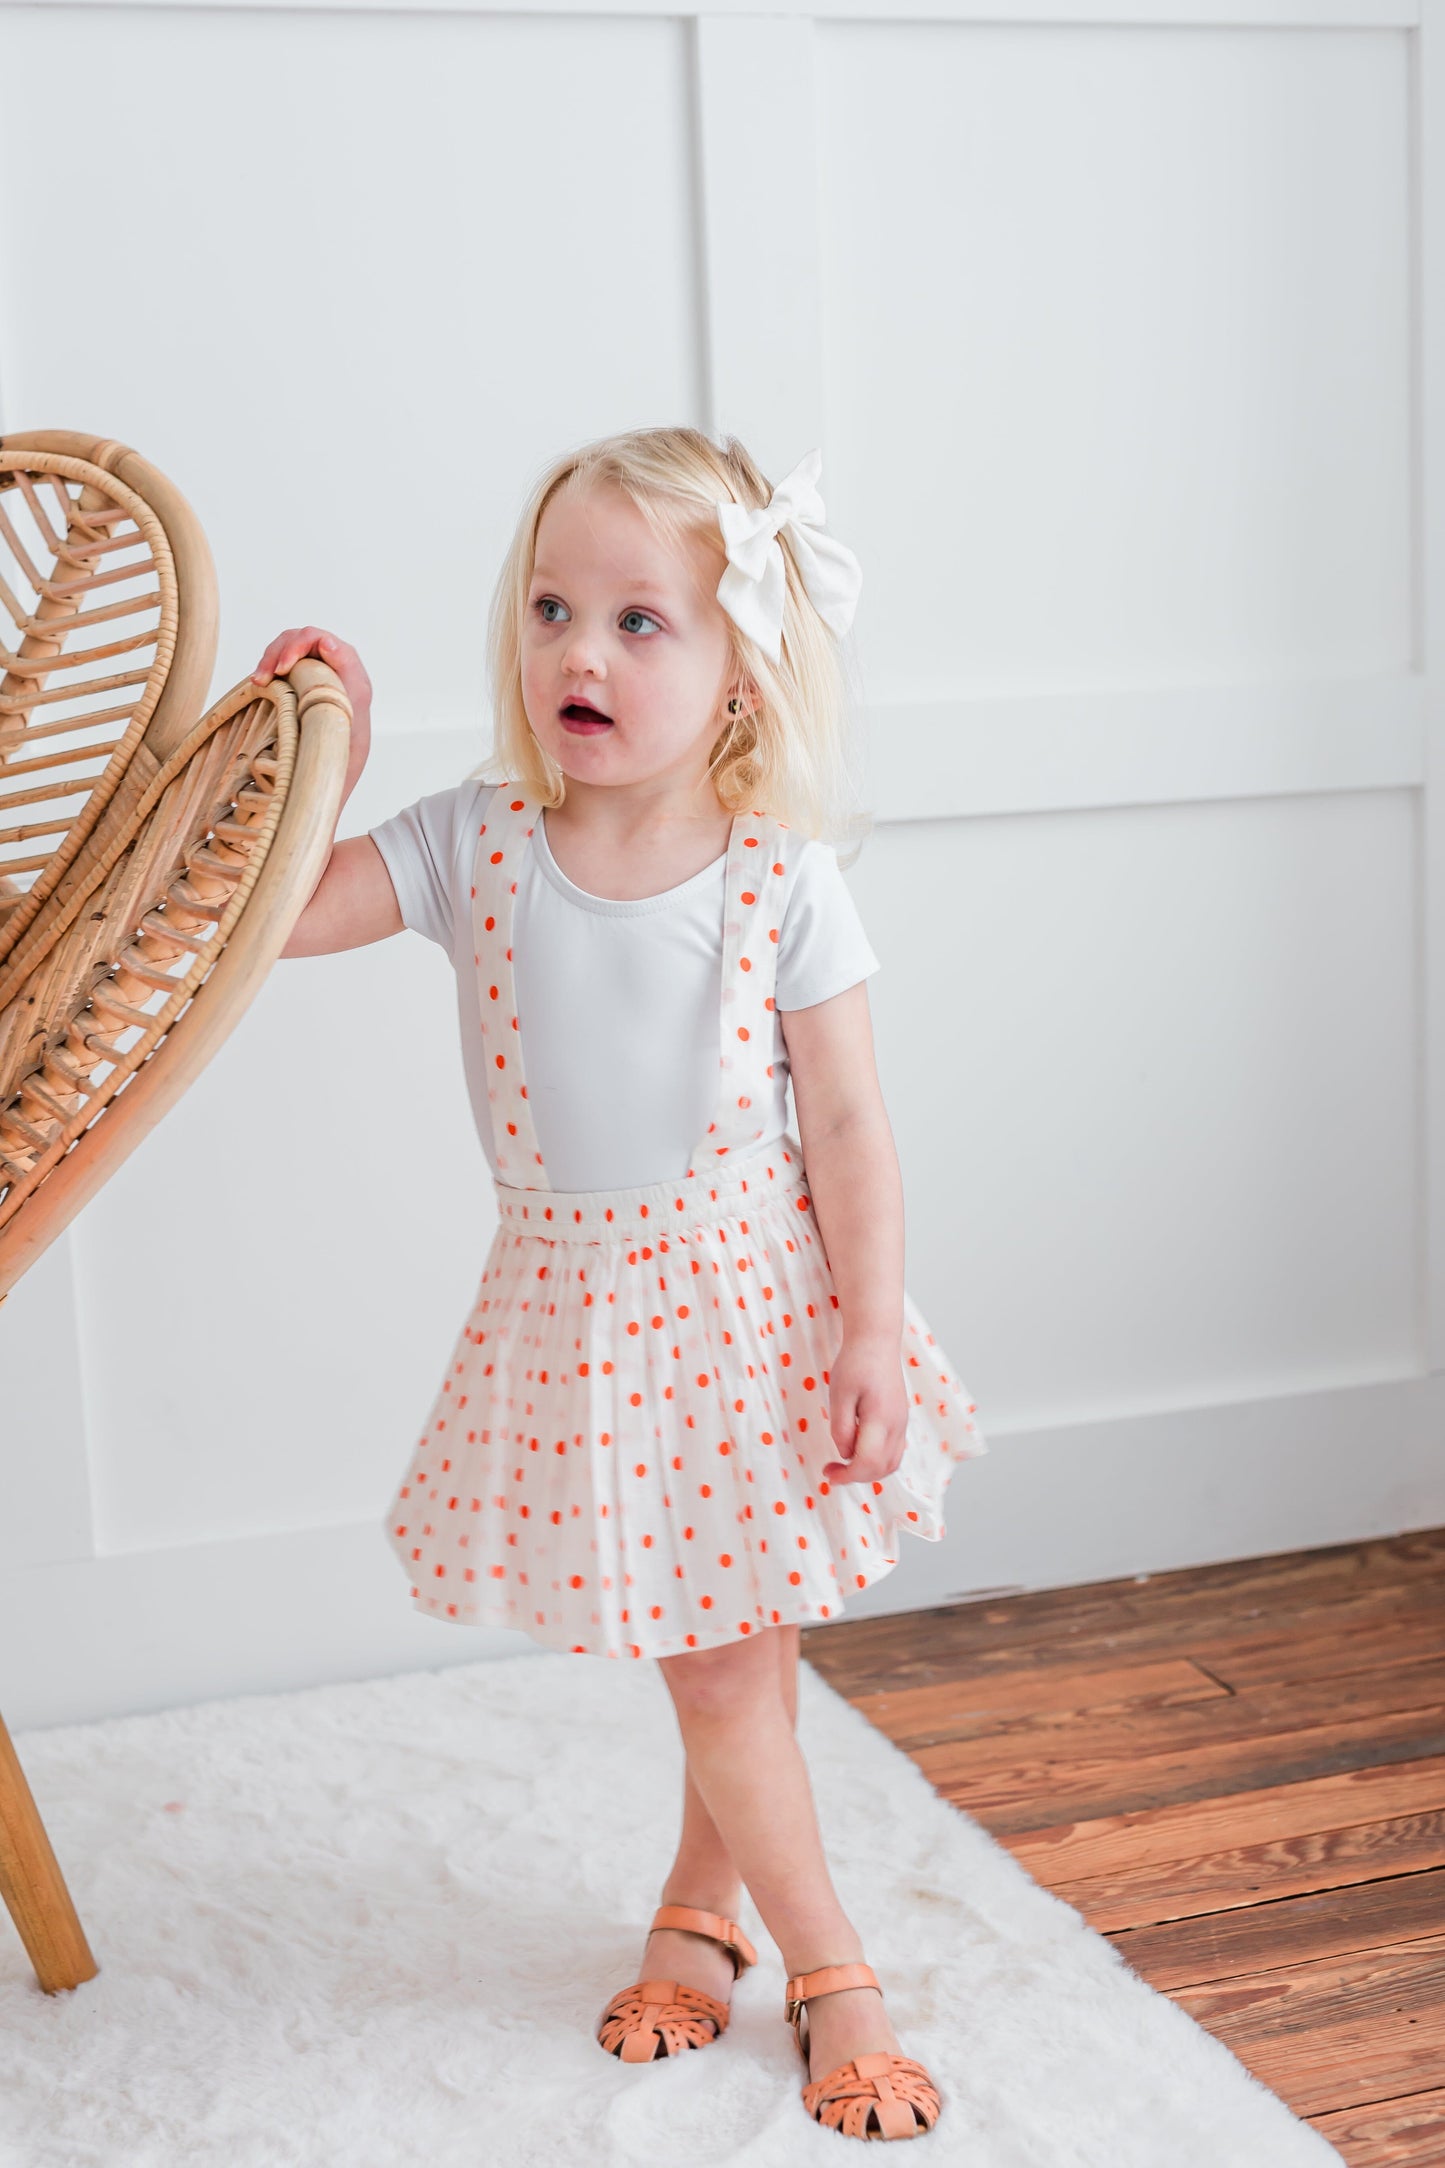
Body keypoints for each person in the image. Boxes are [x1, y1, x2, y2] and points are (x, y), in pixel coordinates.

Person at [253, 427, 985, 2143]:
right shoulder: (470, 845)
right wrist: (328, 757)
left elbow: (855, 1129)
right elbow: (274, 916)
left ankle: (829, 1968)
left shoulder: (777, 878)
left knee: (726, 1665)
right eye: (552, 607)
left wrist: (870, 1328)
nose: (580, 651)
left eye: (641, 620)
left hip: (752, 1306)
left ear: (741, 672)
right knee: (722, 1653)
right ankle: (695, 1904)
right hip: (582, 1318)